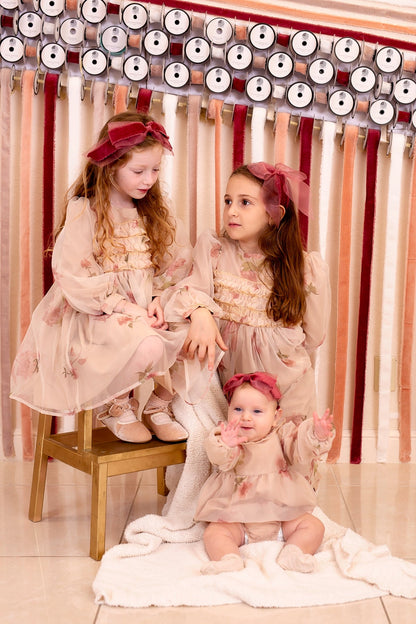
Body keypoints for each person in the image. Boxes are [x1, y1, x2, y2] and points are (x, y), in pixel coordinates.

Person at [10, 111, 203, 443]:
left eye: (155, 170)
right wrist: (127, 308)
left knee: (197, 337)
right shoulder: (87, 212)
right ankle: (116, 406)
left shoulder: (155, 214)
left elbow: (175, 264)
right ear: (111, 166)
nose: (148, 179)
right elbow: (74, 276)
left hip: (144, 310)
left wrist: (158, 299)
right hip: (96, 314)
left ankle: (158, 405)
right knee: (147, 342)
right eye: (139, 171)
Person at [161, 162, 330, 425]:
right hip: (230, 383)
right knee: (230, 445)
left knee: (283, 445)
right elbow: (191, 290)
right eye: (228, 201)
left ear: (274, 214)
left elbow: (315, 335)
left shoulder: (304, 267)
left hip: (286, 385)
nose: (232, 211)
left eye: (245, 203)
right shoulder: (214, 250)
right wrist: (201, 312)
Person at [194, 372, 334, 575]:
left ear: (276, 417)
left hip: (281, 518)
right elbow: (219, 458)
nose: (246, 417)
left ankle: (293, 552)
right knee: (214, 533)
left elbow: (299, 446)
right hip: (238, 520)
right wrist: (225, 444)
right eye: (238, 409)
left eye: (257, 411)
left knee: (314, 526)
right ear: (229, 409)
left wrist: (316, 435)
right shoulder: (228, 438)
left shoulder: (281, 436)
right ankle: (229, 559)